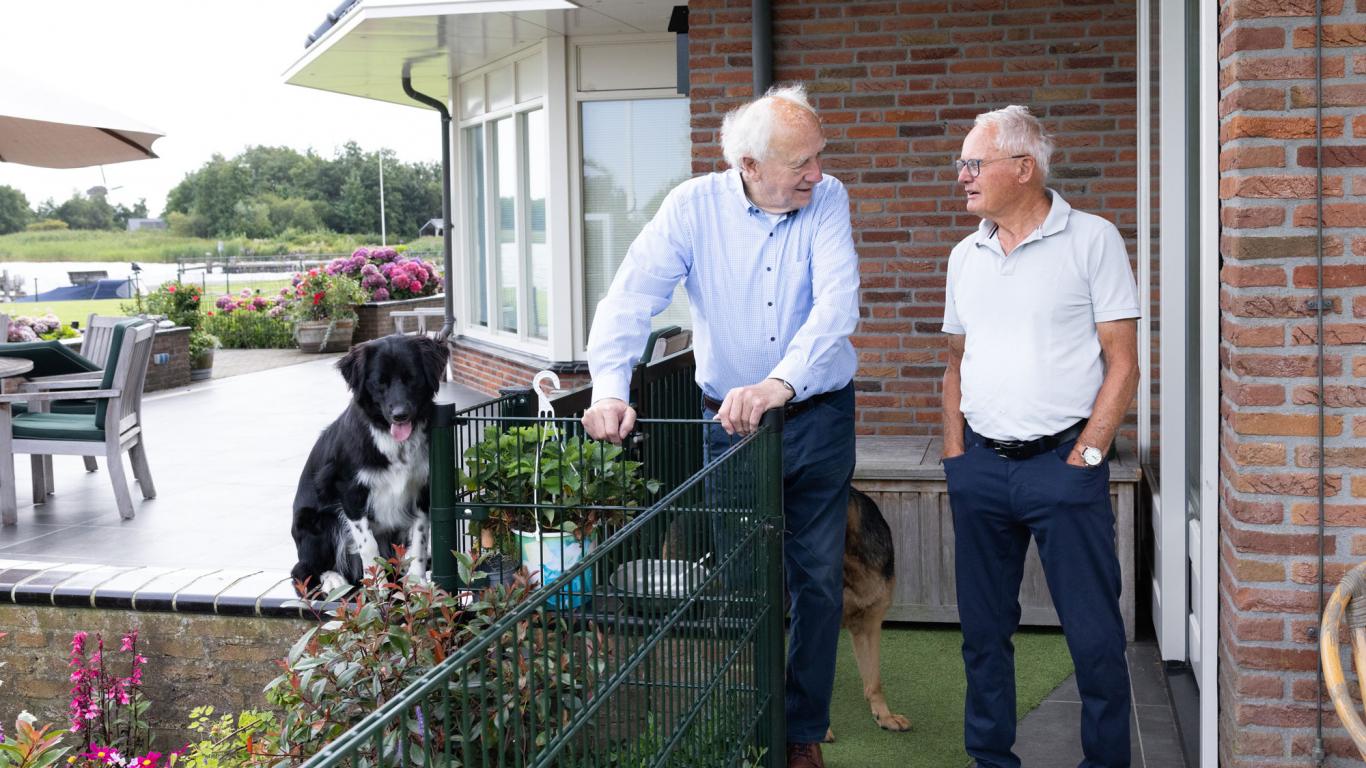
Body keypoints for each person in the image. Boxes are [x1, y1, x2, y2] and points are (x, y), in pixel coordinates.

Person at [581, 83, 859, 768]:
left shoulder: (828, 200)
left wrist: (776, 384)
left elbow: (837, 306)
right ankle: (751, 718)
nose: (816, 174)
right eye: (802, 163)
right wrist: (610, 388)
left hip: (818, 417)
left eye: (818, 157)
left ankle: (800, 730)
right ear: (748, 165)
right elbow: (630, 298)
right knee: (743, 582)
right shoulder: (691, 208)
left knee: (819, 581)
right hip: (728, 429)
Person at [941, 105, 1139, 768]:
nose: (961, 175)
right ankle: (990, 760)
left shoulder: (1093, 240)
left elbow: (1124, 361)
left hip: (1062, 468)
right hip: (981, 472)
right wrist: (955, 457)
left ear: (1023, 168)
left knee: (1095, 640)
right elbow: (953, 362)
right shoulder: (963, 255)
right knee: (982, 637)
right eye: (961, 163)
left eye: (974, 163)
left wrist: (1086, 456)